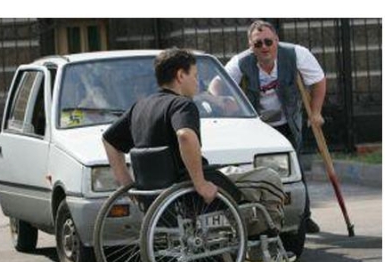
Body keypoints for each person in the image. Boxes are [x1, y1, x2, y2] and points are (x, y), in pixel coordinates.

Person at [102, 48, 285, 239]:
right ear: (181, 75)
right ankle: (266, 240)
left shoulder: (140, 106)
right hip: (189, 186)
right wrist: (200, 184)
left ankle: (245, 234)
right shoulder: (182, 105)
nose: (198, 83)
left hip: (157, 190)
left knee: (233, 173)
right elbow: (185, 136)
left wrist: (128, 184)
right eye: (195, 76)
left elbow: (109, 140)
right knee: (269, 178)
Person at [215, 20, 325, 234]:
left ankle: (303, 216)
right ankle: (263, 217)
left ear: (276, 40)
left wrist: (316, 112)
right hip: (258, 126)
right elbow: (217, 85)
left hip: (288, 120)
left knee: (294, 169)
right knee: (258, 172)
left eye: (268, 42)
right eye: (258, 44)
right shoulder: (241, 62)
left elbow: (318, 80)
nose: (264, 47)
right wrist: (225, 103)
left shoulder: (296, 54)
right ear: (251, 45)